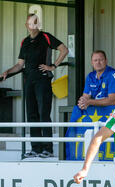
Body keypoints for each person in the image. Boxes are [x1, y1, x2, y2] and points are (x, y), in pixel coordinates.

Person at [0, 14, 68, 158]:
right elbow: (20, 65)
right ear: (27, 25)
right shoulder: (24, 42)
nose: (33, 25)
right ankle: (36, 148)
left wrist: (53, 66)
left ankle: (47, 149)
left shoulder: (46, 37)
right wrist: (7, 72)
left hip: (43, 80)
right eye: (30, 22)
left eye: (36, 22)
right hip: (29, 81)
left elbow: (64, 50)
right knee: (31, 115)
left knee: (44, 113)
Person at [65, 50, 115, 161]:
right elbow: (86, 96)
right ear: (92, 63)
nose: (98, 62)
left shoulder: (113, 75)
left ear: (106, 61)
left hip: (113, 116)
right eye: (95, 60)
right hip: (98, 116)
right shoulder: (90, 76)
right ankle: (72, 155)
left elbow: (112, 100)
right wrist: (82, 102)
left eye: (101, 60)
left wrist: (89, 102)